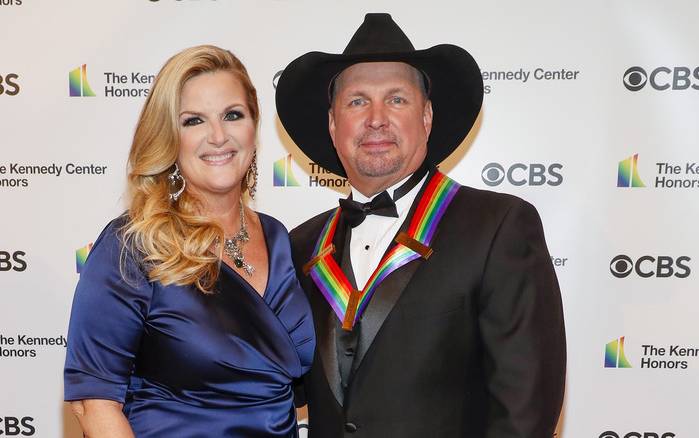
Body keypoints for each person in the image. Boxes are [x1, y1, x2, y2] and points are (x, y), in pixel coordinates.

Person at [275, 13, 566, 437]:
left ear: (426, 117)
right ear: (334, 125)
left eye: (396, 99)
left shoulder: (498, 227)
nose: (376, 118)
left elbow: (524, 414)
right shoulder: (299, 248)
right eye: (357, 101)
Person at [64, 45, 315, 438]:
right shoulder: (131, 246)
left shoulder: (279, 238)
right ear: (168, 136)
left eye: (233, 115)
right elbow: (93, 403)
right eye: (194, 120)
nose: (218, 136)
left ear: (253, 127)